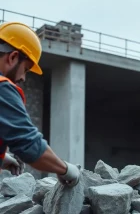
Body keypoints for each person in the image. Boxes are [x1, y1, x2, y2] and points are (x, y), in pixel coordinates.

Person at [0, 21, 80, 185]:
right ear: (13, 57)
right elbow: (29, 146)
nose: (23, 78)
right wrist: (66, 169)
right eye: (26, 69)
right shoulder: (2, 88)